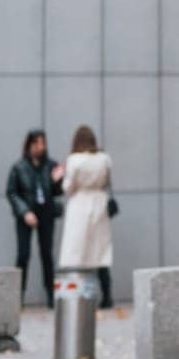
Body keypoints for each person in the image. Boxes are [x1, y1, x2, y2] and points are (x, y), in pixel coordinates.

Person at [57, 125, 114, 309]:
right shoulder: (104, 159)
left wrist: (60, 176)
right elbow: (108, 182)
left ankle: (80, 295)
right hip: (99, 204)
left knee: (77, 252)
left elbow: (68, 187)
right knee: (100, 253)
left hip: (79, 205)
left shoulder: (74, 160)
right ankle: (106, 296)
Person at [6, 129, 64, 308]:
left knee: (47, 254)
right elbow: (12, 192)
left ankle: (51, 297)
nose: (40, 147)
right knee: (23, 255)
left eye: (42, 143)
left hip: (46, 213)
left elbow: (57, 192)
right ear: (29, 145)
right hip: (26, 215)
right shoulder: (19, 167)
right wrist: (24, 212)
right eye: (36, 143)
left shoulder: (51, 166)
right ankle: (18, 298)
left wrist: (58, 180)